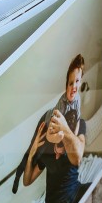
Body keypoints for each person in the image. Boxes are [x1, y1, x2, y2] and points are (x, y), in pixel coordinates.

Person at [12, 54, 84, 194]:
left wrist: (69, 139)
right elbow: (51, 135)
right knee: (32, 153)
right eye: (70, 83)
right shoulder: (62, 105)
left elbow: (77, 123)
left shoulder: (78, 100)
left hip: (58, 133)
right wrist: (59, 146)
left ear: (81, 81)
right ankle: (17, 177)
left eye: (77, 81)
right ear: (66, 85)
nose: (74, 87)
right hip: (46, 123)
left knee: (43, 154)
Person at [23, 108, 90, 203]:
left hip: (75, 191)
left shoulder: (74, 139)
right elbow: (27, 180)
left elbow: (78, 158)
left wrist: (66, 130)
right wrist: (31, 155)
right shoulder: (46, 153)